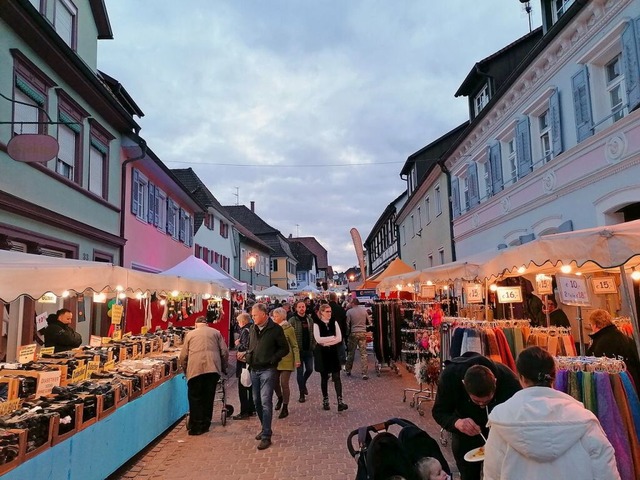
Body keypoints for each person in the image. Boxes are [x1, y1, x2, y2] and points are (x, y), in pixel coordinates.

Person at [484, 346, 621, 480]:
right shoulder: (582, 418)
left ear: (522, 378)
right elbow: (605, 471)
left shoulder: (502, 419)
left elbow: (493, 473)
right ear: (554, 375)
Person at [431, 351, 521, 480]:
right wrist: (457, 423)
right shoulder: (450, 377)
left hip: (500, 437)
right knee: (468, 475)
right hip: (465, 437)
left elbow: (520, 413)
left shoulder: (509, 380)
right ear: (463, 384)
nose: (482, 405)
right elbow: (439, 411)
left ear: (495, 382)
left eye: (486, 401)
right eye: (477, 401)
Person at [246, 303, 289, 450]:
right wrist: (248, 356)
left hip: (268, 369)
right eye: (252, 315)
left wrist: (273, 359)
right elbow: (251, 346)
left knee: (265, 401)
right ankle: (265, 427)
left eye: (255, 315)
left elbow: (285, 348)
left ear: (264, 314)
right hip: (254, 369)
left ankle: (266, 435)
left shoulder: (275, 329)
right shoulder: (252, 328)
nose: (253, 318)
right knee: (256, 400)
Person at [179, 316, 229, 436]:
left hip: (195, 370)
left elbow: (183, 355)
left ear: (196, 324)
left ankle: (196, 426)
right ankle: (206, 424)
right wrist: (223, 367)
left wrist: (185, 369)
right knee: (208, 396)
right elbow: (225, 352)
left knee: (195, 397)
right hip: (212, 369)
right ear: (206, 324)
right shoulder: (216, 333)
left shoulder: (190, 334)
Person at [587, 309, 640, 391]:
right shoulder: (625, 338)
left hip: (615, 387)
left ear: (594, 325)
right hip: (632, 382)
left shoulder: (600, 343)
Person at [314, 303, 348, 411]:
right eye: (327, 311)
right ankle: (325, 400)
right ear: (321, 312)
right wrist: (331, 338)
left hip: (333, 352)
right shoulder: (317, 324)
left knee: (337, 377)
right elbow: (318, 339)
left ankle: (340, 401)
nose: (329, 313)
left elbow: (339, 338)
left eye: (330, 311)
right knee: (324, 377)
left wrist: (328, 341)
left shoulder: (334, 322)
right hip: (322, 353)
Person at [271, 307, 300, 419]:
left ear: (282, 317)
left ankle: (285, 407)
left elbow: (294, 345)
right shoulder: (273, 328)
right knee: (274, 382)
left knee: (284, 383)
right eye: (274, 315)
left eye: (276, 316)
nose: (274, 317)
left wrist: (297, 359)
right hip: (276, 359)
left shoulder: (288, 329)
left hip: (287, 359)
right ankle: (280, 397)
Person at [289, 299, 316, 403]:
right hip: (298, 351)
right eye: (299, 307)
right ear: (296, 308)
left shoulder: (309, 319)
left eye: (303, 307)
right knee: (299, 372)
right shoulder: (292, 320)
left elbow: (313, 333)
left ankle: (303, 383)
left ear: (305, 308)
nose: (301, 308)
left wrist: (313, 345)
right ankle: (301, 393)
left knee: (309, 369)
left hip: (308, 349)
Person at [233, 312, 255, 420]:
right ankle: (252, 408)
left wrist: (238, 344)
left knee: (242, 387)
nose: (238, 323)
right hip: (250, 362)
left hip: (244, 363)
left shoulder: (245, 331)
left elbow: (244, 347)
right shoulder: (252, 329)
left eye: (238, 321)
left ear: (242, 321)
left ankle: (244, 411)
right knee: (250, 386)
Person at [345, 297, 371, 379]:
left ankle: (348, 370)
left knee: (351, 353)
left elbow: (347, 324)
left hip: (353, 333)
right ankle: (364, 373)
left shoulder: (349, 312)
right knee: (363, 353)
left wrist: (347, 334)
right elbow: (369, 322)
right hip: (363, 333)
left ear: (353, 303)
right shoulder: (364, 311)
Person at [328, 292, 347, 368]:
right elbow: (344, 321)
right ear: (336, 298)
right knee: (340, 346)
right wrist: (345, 333)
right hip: (339, 330)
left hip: (328, 331)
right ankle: (340, 362)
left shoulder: (326, 308)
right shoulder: (340, 308)